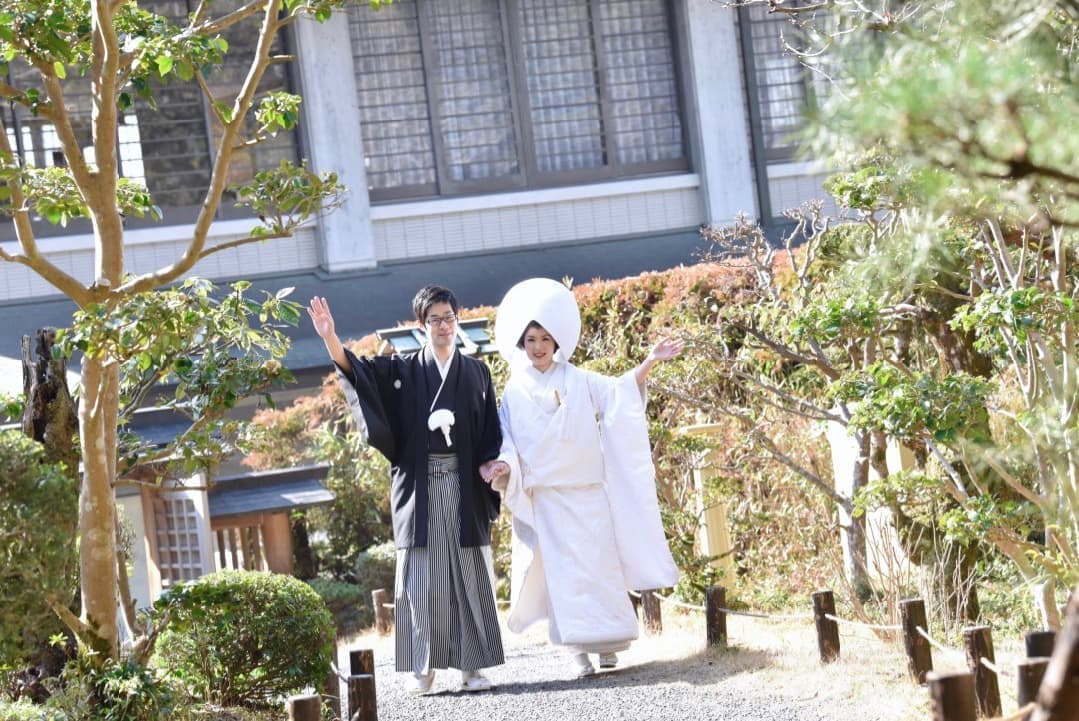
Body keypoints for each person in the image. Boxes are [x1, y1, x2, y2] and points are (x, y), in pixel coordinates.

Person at [307, 286, 505, 694]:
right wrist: (330, 337)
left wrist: (492, 463)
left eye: (449, 318)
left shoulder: (476, 372)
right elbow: (356, 372)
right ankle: (423, 668)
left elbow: (489, 430)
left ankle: (472, 668)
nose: (444, 326)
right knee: (421, 575)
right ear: (421, 325)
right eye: (435, 320)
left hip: (464, 485)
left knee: (467, 571)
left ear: (457, 319)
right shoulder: (403, 370)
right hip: (420, 484)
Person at [483, 278, 681, 679]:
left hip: (588, 493)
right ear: (521, 344)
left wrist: (650, 361)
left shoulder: (578, 378)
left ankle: (608, 643)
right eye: (531, 339)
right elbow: (507, 439)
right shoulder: (514, 391)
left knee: (600, 569)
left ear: (556, 341)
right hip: (548, 498)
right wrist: (504, 466)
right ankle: (577, 651)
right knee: (564, 577)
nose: (538, 346)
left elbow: (620, 391)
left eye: (545, 338)